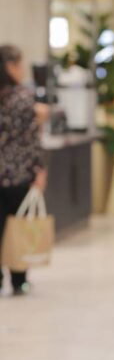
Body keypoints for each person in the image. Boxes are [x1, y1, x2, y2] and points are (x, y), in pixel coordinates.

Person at [0, 45, 49, 296]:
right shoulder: (22, 97)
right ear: (10, 66)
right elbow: (31, 139)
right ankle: (19, 280)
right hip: (18, 173)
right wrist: (39, 170)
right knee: (18, 226)